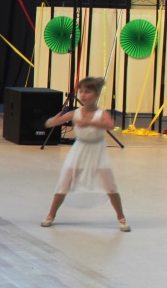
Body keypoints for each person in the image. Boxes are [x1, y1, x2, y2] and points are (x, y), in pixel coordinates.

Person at [41, 77, 129, 231]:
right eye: (81, 91)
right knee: (64, 183)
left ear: (96, 94)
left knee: (110, 186)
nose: (83, 95)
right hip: (79, 151)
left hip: (97, 152)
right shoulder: (75, 113)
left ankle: (121, 217)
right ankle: (51, 215)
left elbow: (109, 125)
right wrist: (53, 120)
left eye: (87, 92)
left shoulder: (102, 113)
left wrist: (89, 122)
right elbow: (49, 124)